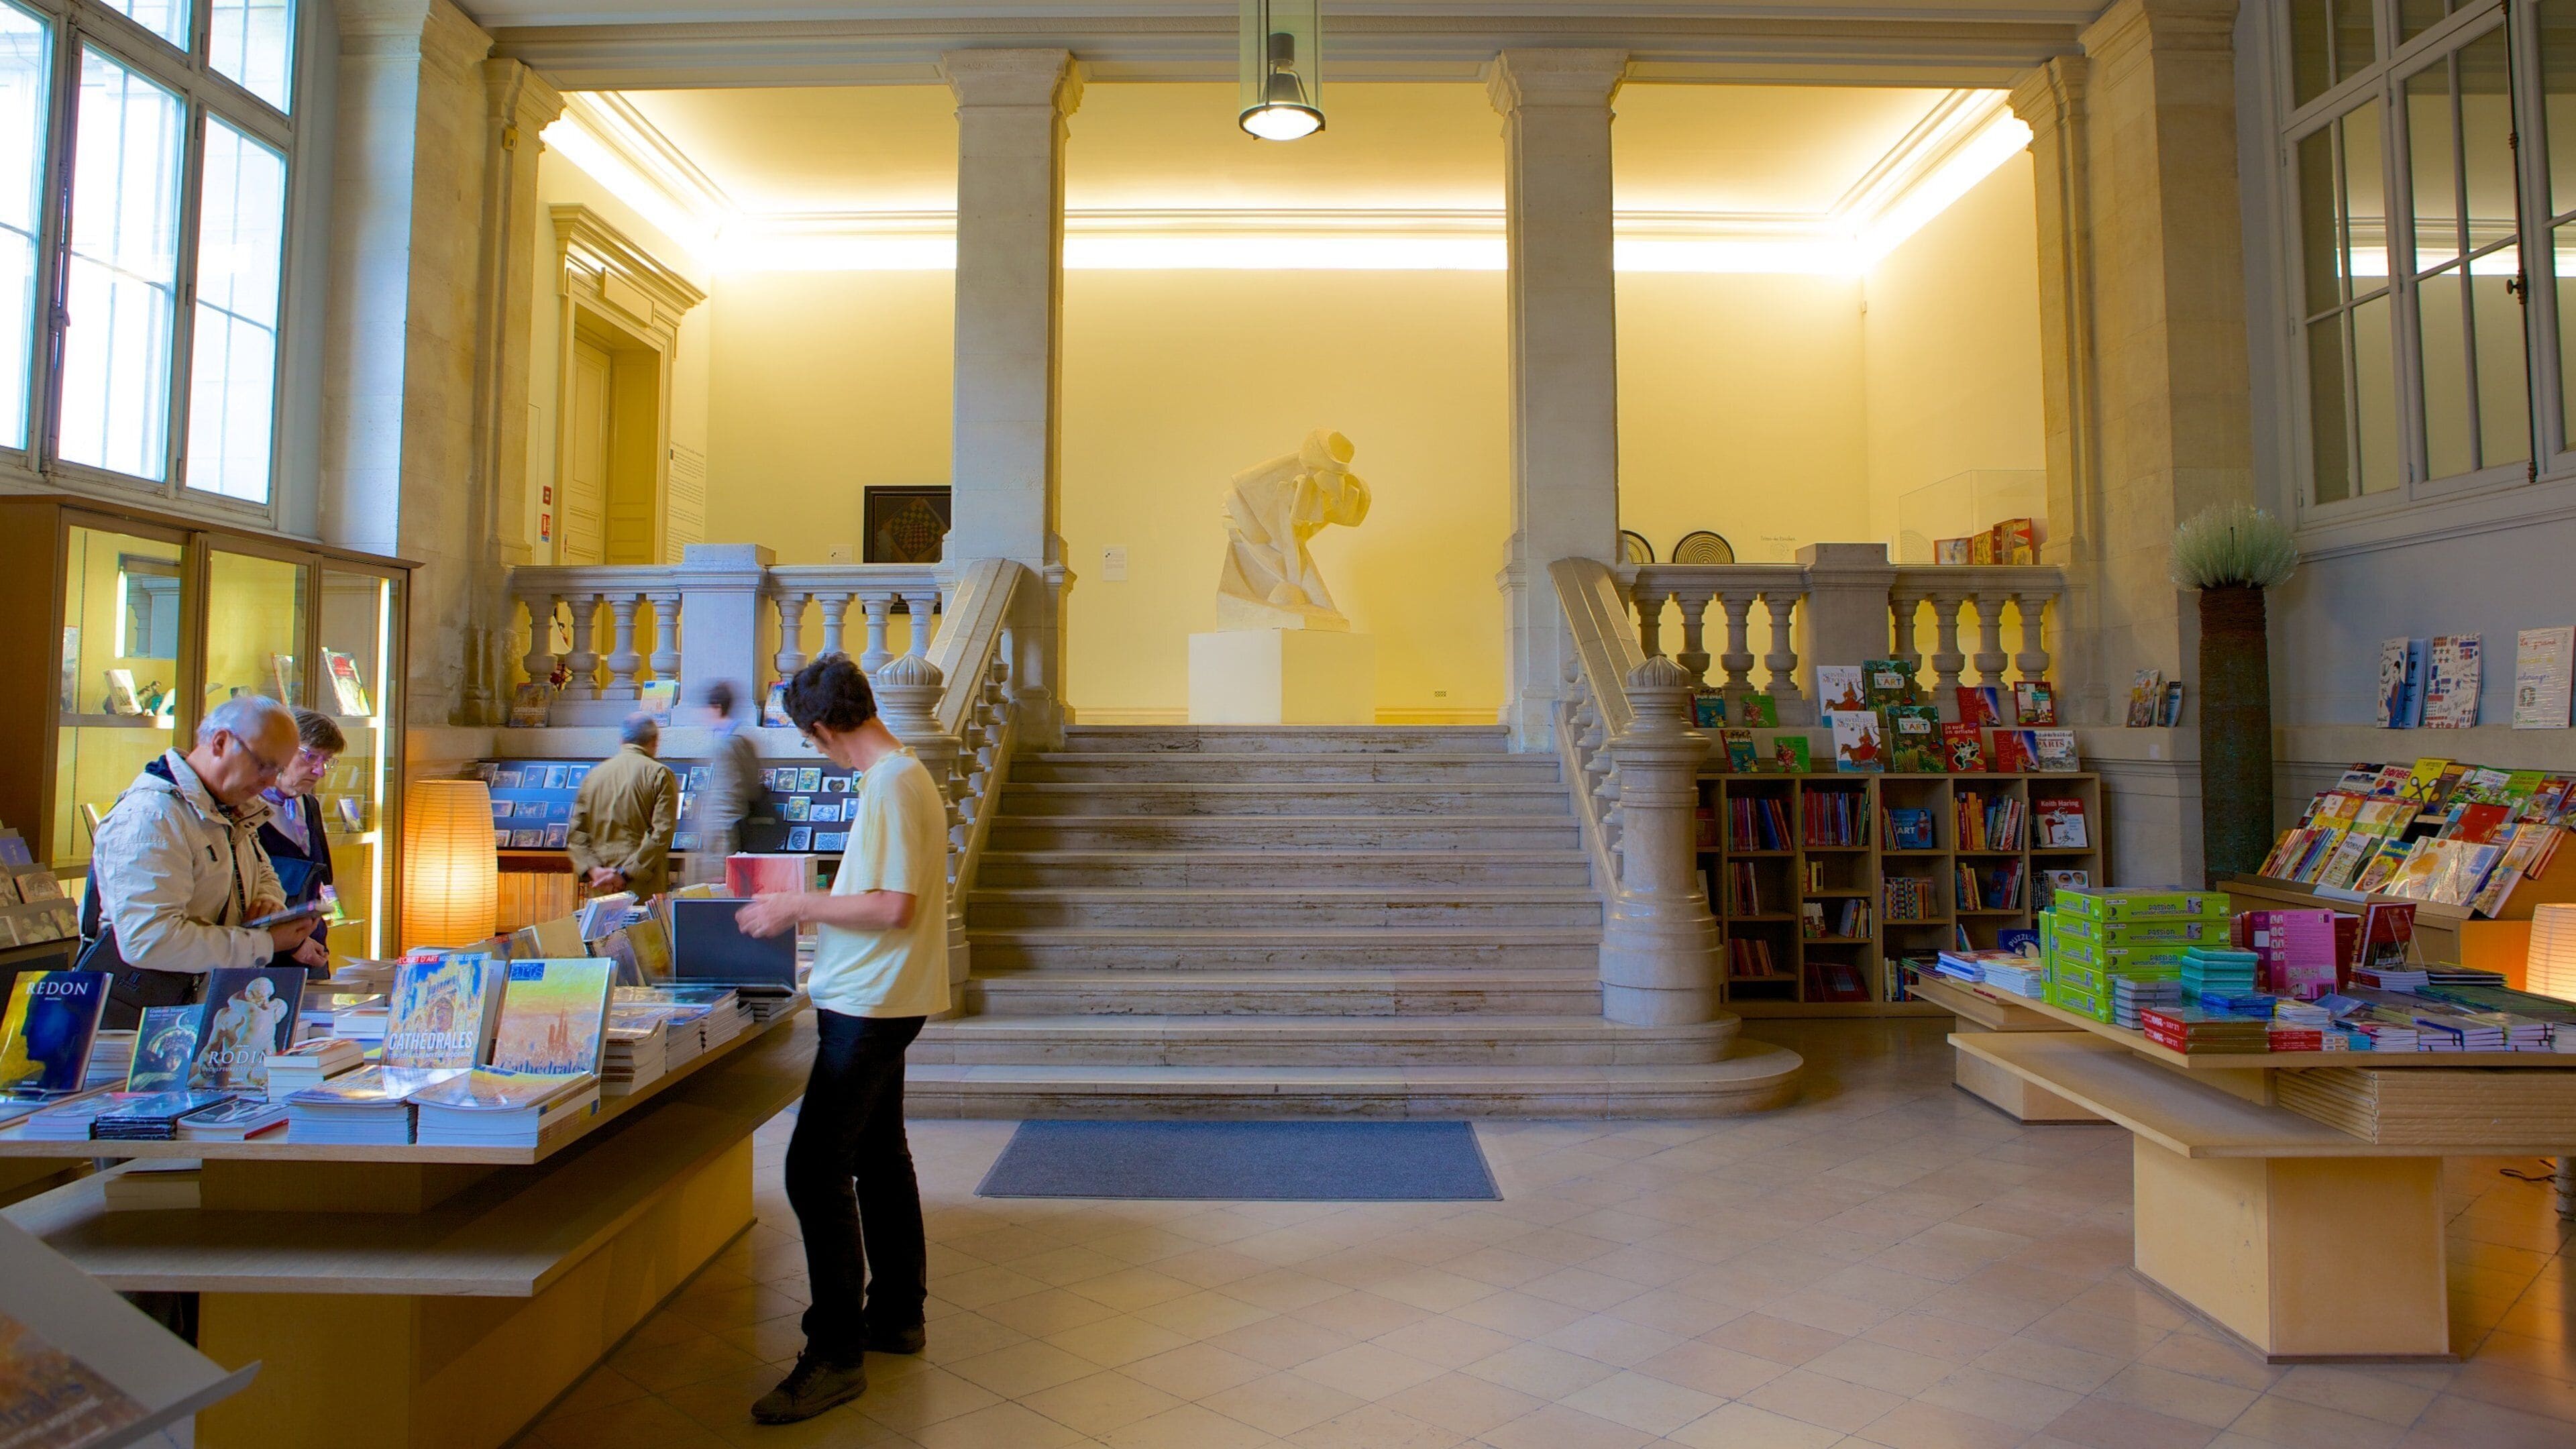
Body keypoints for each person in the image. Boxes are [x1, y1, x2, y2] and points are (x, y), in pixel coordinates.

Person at [734, 654, 949, 1426]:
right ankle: (895, 1313)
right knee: (879, 1156)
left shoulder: (891, 783)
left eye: (809, 739)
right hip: (879, 995)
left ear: (823, 728)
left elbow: (892, 906)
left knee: (812, 1168)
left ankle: (835, 1354)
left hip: (871, 1002)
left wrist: (795, 908)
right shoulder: (899, 776)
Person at [85, 695, 320, 1025]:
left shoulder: (229, 808)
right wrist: (264, 943)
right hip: (139, 1025)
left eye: (278, 770)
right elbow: (149, 940)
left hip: (194, 1012)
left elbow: (263, 871)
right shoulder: (152, 816)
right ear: (220, 742)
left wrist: (268, 901)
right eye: (263, 764)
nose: (270, 781)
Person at [566, 713, 680, 898]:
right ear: (654, 741)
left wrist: (594, 870)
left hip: (602, 884)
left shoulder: (594, 776)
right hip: (643, 884)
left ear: (621, 740)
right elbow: (661, 833)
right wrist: (624, 874)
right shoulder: (660, 774)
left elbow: (577, 834)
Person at [255, 710, 346, 940]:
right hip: (266, 949)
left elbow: (321, 880)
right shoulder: (244, 811)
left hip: (312, 944)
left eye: (326, 761)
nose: (320, 771)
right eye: (311, 757)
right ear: (278, 751)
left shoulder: (309, 806)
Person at [690, 680, 761, 881]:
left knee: (722, 884)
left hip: (723, 828)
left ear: (717, 708)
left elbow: (727, 795)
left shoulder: (727, 745)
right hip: (732, 823)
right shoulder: (742, 740)